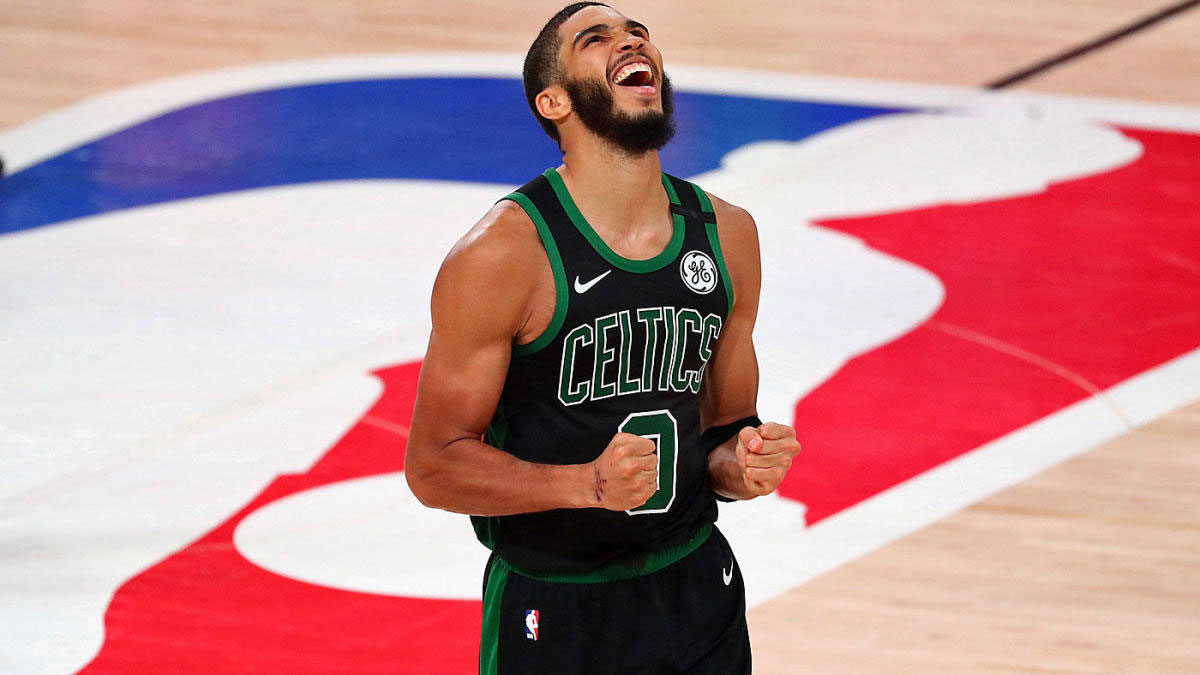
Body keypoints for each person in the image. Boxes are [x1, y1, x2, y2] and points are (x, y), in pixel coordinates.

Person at [406, 3, 802, 672]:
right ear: (553, 101)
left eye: (637, 34)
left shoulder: (727, 234)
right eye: (597, 39)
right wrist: (585, 483)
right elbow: (434, 464)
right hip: (561, 606)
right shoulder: (504, 254)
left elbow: (722, 429)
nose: (629, 42)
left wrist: (744, 461)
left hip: (698, 586)